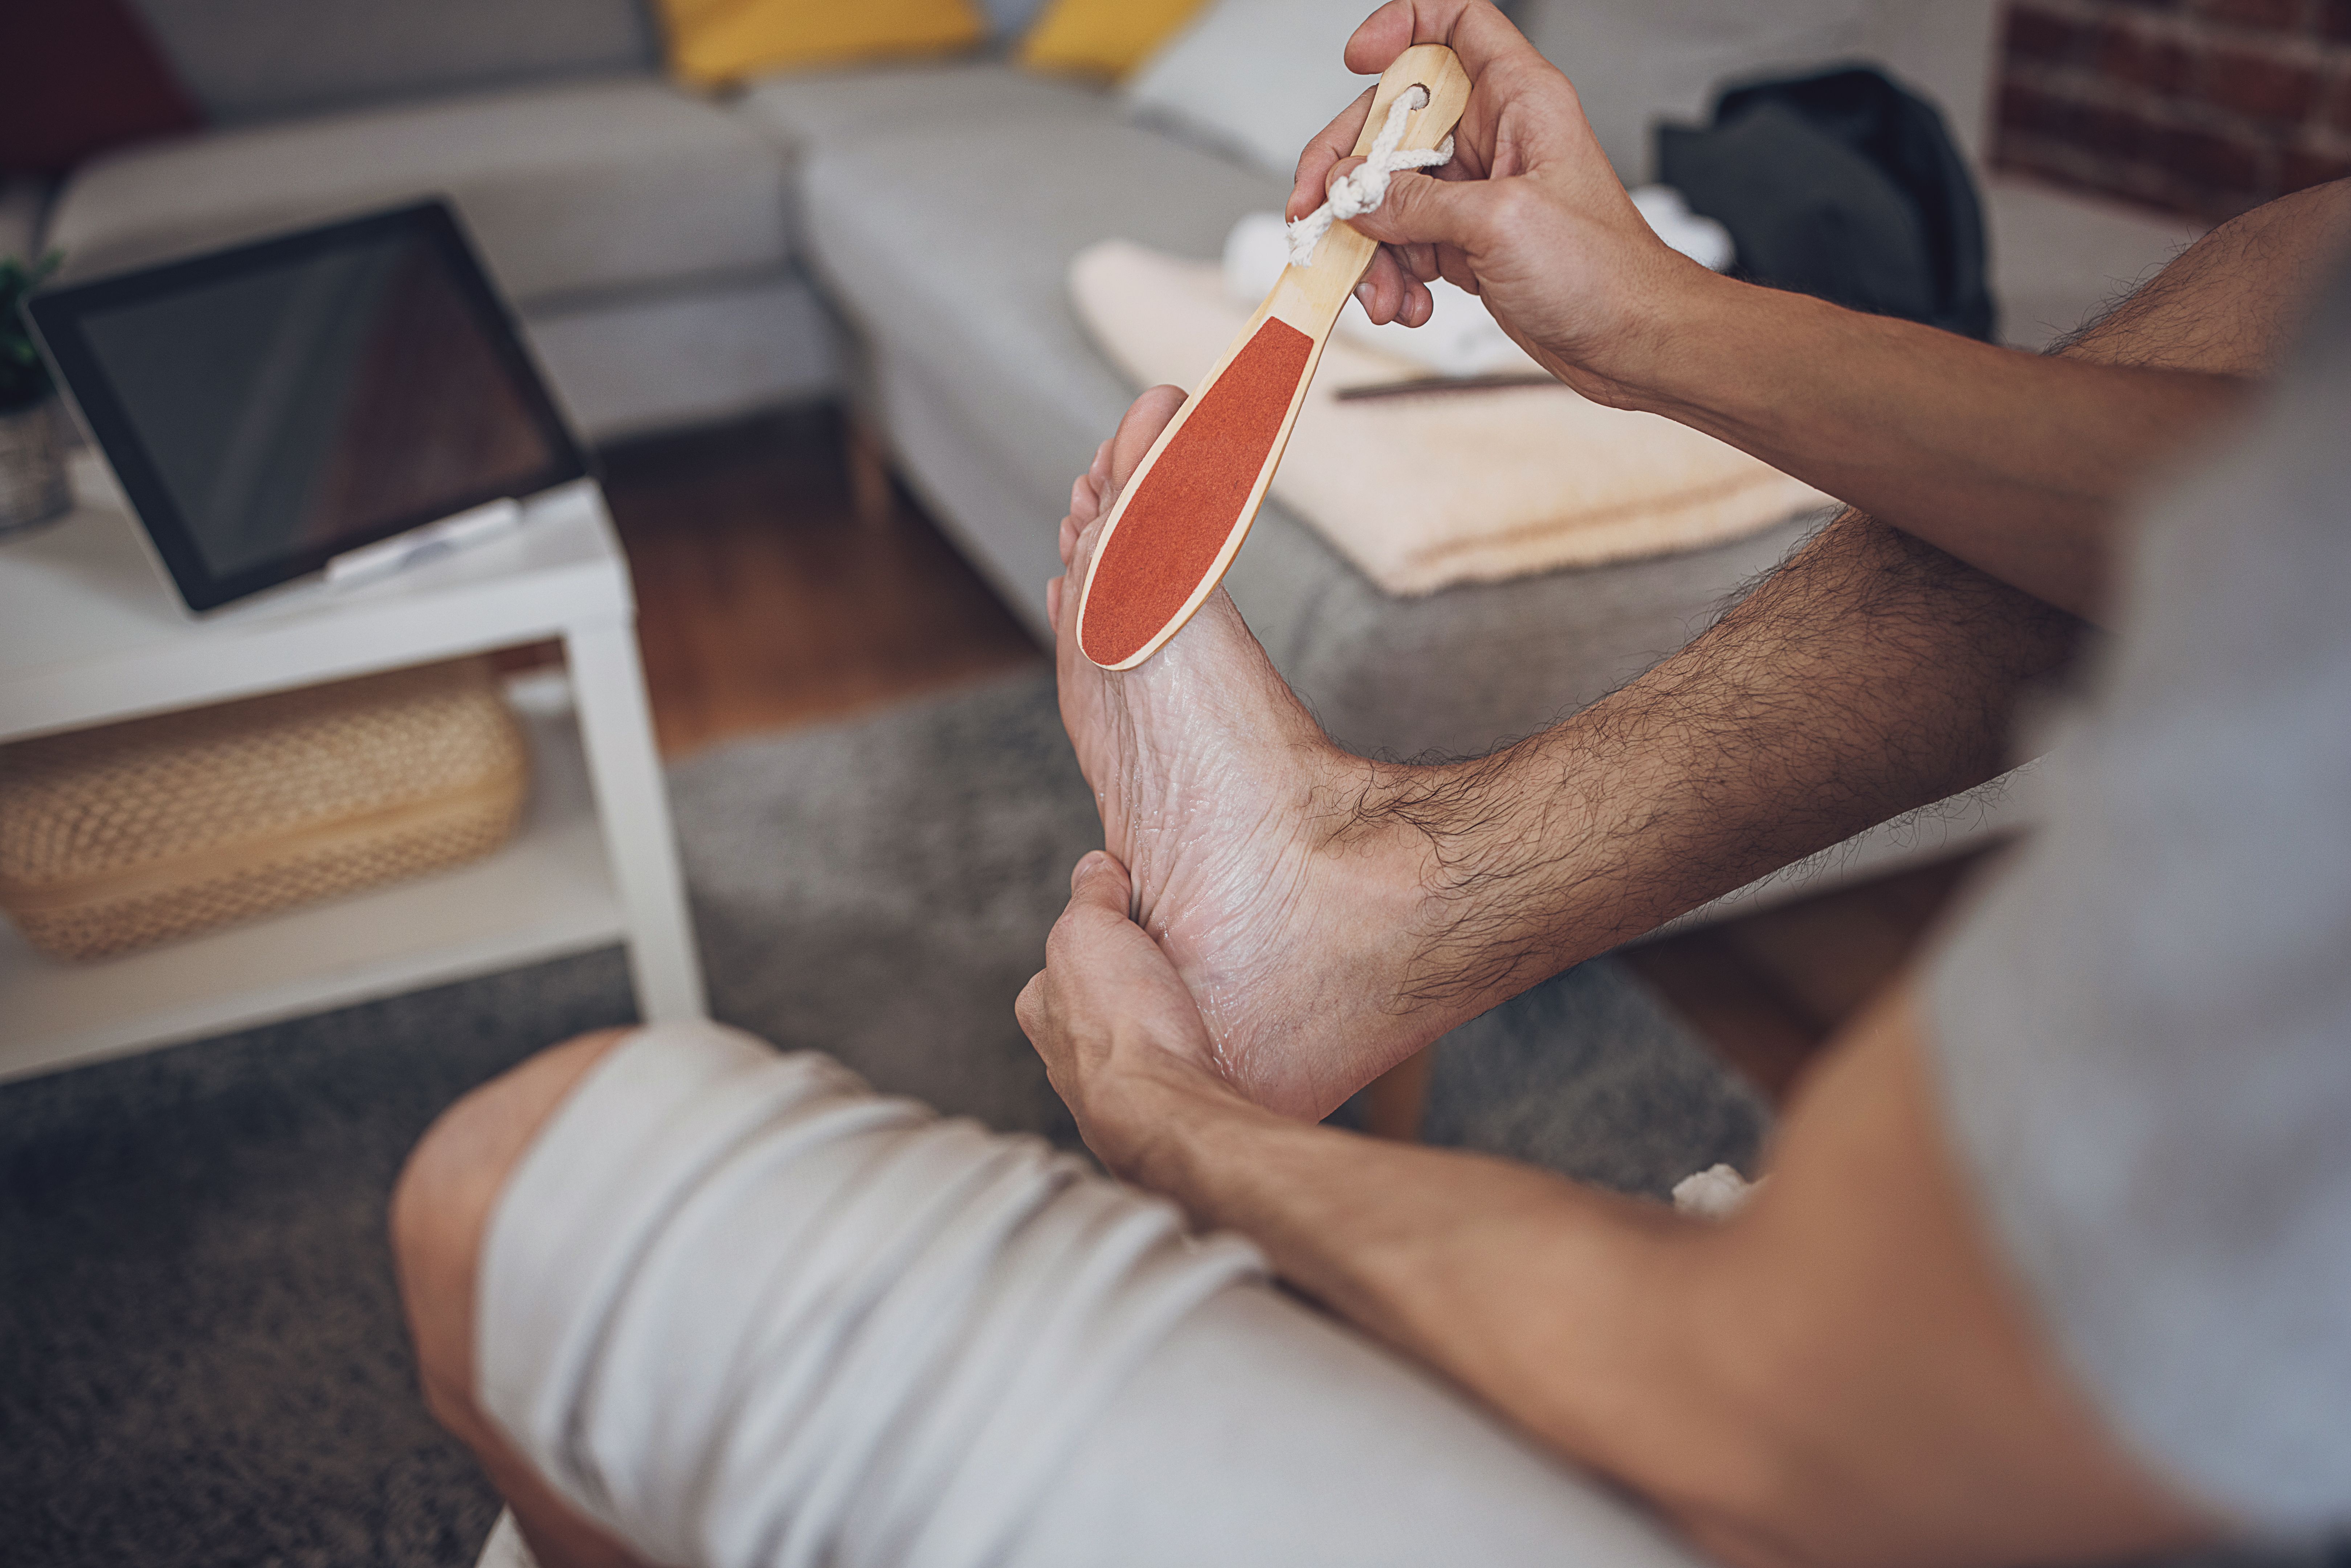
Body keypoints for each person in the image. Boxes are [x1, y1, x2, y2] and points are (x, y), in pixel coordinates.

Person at [390, 4, 2351, 1565]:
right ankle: (1379, 895)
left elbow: (1778, 1419)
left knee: (495, 1195)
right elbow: (2280, 490)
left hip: (1837, 1451)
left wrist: (1167, 1121)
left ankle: (1360, 921)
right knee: (2297, 274)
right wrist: (1652, 318)